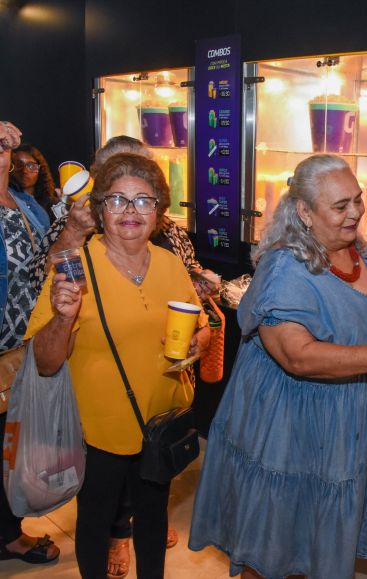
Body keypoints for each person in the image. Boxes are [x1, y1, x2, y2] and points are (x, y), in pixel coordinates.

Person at [189, 154, 367, 579]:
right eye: (340, 206)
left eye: (358, 200)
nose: (356, 213)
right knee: (272, 547)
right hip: (289, 431)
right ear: (305, 212)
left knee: (314, 543)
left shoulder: (360, 252)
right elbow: (298, 356)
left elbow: (357, 319)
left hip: (345, 421)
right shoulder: (287, 267)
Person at [25, 153, 210, 579]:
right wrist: (62, 317)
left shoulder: (168, 263)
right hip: (99, 430)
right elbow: (45, 362)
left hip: (160, 423)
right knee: (95, 522)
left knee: (152, 518)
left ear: (159, 212)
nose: (130, 211)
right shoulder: (75, 266)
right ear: (100, 209)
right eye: (117, 200)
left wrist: (199, 342)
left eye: (143, 201)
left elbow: (201, 325)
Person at [31, 135, 207, 297]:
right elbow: (40, 285)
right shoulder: (74, 223)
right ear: (98, 180)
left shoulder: (169, 230)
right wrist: (74, 232)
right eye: (116, 171)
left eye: (140, 170)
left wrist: (202, 281)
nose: (128, 177)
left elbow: (188, 270)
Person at [0, 128, 60, 565]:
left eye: (2, 147)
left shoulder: (21, 204)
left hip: (22, 350)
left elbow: (46, 261)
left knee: (11, 446)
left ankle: (8, 530)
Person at [10, 144, 59, 221]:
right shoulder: (6, 201)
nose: (24, 171)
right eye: (19, 164)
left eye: (31, 166)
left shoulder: (53, 205)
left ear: (40, 170)